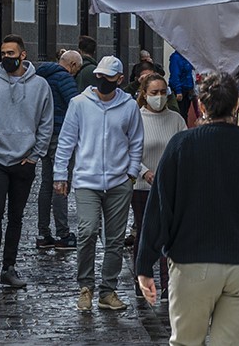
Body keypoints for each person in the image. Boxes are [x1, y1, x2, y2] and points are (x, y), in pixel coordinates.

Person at [137, 71, 239, 344]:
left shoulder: (181, 145)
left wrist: (144, 265)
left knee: (186, 342)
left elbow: (159, 210)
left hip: (192, 261)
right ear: (237, 104)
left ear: (201, 106)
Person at [54, 55, 144, 313]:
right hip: (87, 180)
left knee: (115, 240)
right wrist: (61, 174)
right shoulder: (79, 104)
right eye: (100, 76)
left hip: (119, 182)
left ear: (120, 79)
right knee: (87, 230)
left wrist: (131, 173)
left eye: (109, 77)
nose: (103, 80)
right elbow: (67, 140)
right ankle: (85, 287)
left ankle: (108, 290)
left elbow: (136, 140)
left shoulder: (128, 106)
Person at [0, 35, 54, 291]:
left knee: (16, 217)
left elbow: (46, 122)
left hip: (24, 161)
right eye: (3, 53)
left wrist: (36, 154)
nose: (6, 57)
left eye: (11, 53)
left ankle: (9, 266)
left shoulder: (40, 86)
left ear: (23, 54)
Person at [132, 70, 186, 262]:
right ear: (144, 94)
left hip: (170, 187)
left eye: (163, 92)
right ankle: (142, 279)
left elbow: (184, 151)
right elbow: (128, 151)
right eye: (154, 93)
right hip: (142, 187)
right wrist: (144, 172)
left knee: (168, 234)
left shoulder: (176, 120)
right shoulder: (136, 119)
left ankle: (166, 286)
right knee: (146, 232)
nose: (159, 97)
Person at [34, 49, 80, 250]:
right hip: (61, 134)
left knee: (46, 183)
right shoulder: (65, 79)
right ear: (73, 65)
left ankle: (43, 233)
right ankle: (63, 233)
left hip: (44, 134)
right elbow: (76, 106)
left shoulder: (40, 77)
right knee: (60, 182)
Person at [169, 47, 196, 120]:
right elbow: (175, 75)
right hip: (181, 89)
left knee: (185, 113)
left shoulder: (186, 57)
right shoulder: (176, 58)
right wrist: (178, 91)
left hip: (187, 89)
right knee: (181, 113)